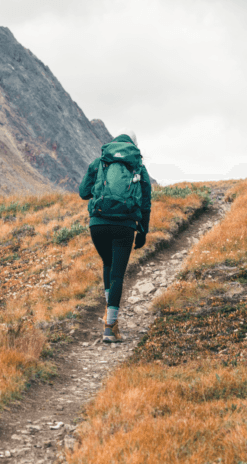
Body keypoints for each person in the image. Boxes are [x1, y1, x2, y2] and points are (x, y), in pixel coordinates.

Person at [78, 130, 152, 343]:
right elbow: (146, 203)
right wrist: (143, 232)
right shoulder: (138, 167)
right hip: (125, 226)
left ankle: (109, 317)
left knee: (107, 264)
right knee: (117, 274)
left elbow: (83, 193)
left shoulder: (100, 162)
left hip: (98, 224)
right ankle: (110, 327)